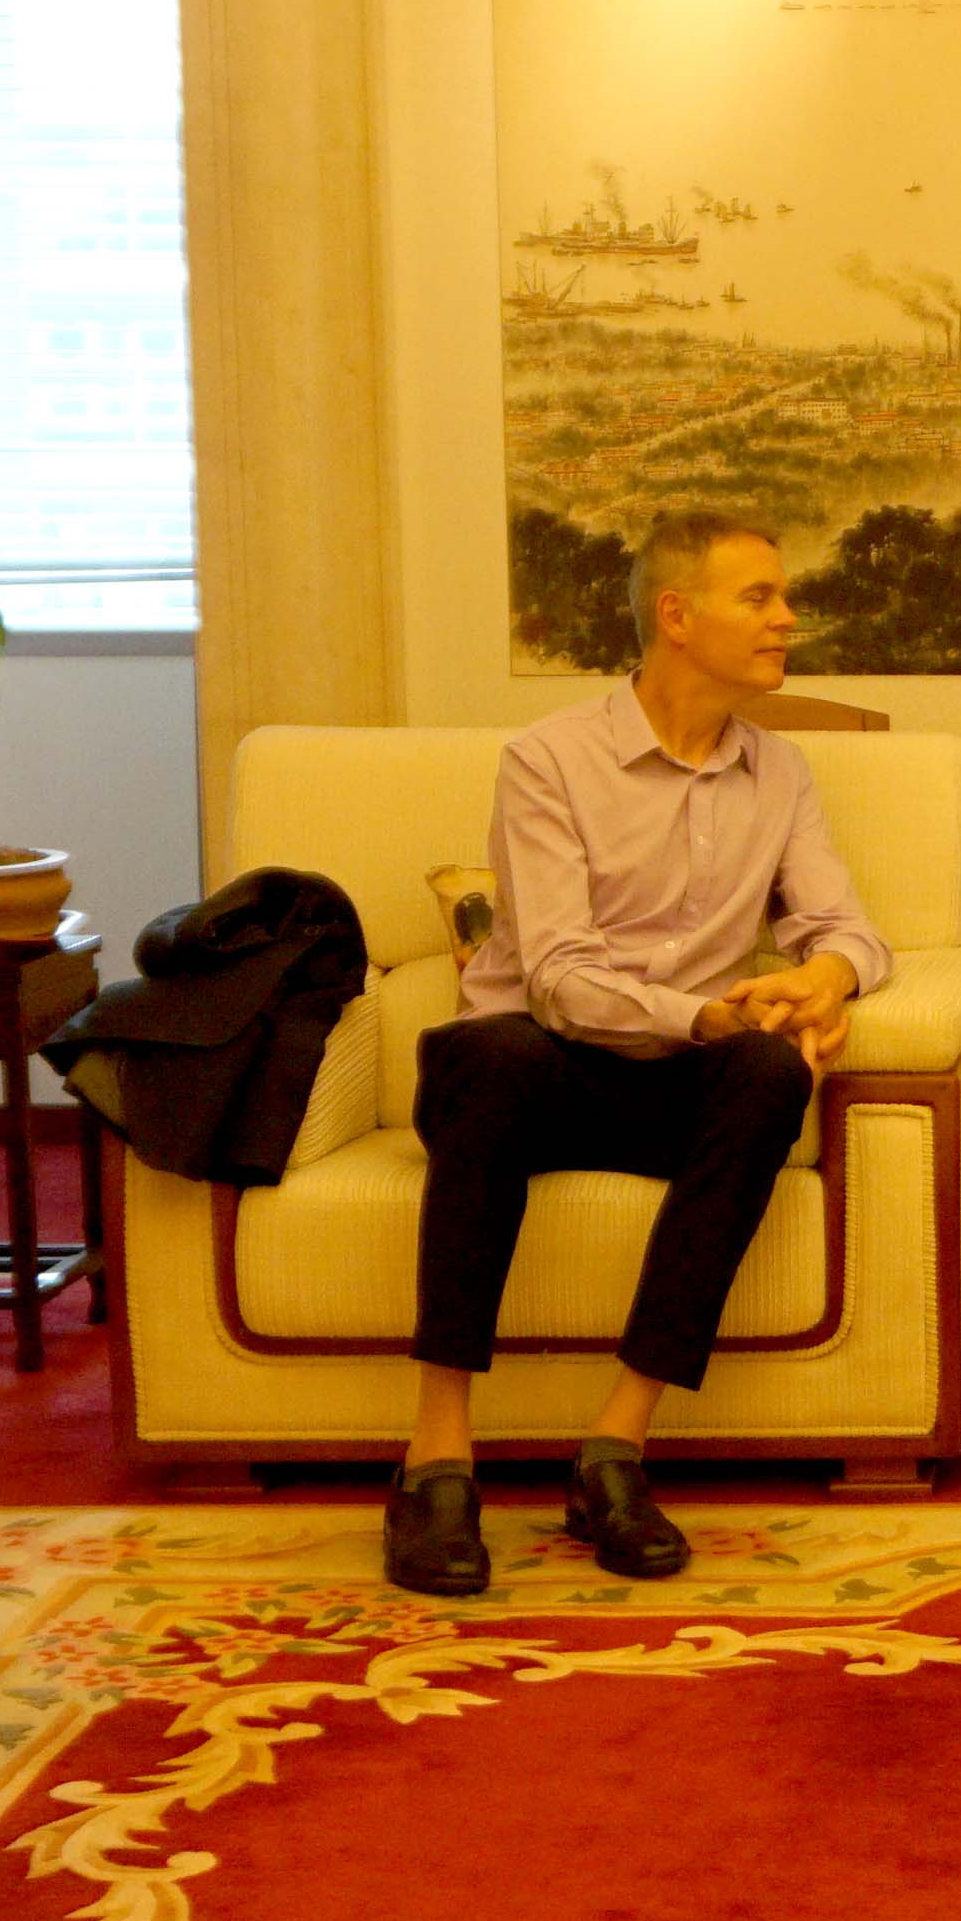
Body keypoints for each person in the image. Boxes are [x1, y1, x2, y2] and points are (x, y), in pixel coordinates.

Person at [389, 509, 886, 1598]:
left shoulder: (780, 773)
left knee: (772, 1072)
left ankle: (614, 1448)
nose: (787, 618)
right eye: (758, 597)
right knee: (487, 1054)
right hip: (537, 1072)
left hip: (670, 1086)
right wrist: (703, 1015)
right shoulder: (548, 760)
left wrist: (825, 978)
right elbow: (559, 978)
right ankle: (436, 1455)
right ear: (677, 615)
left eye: (782, 596)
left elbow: (846, 928)